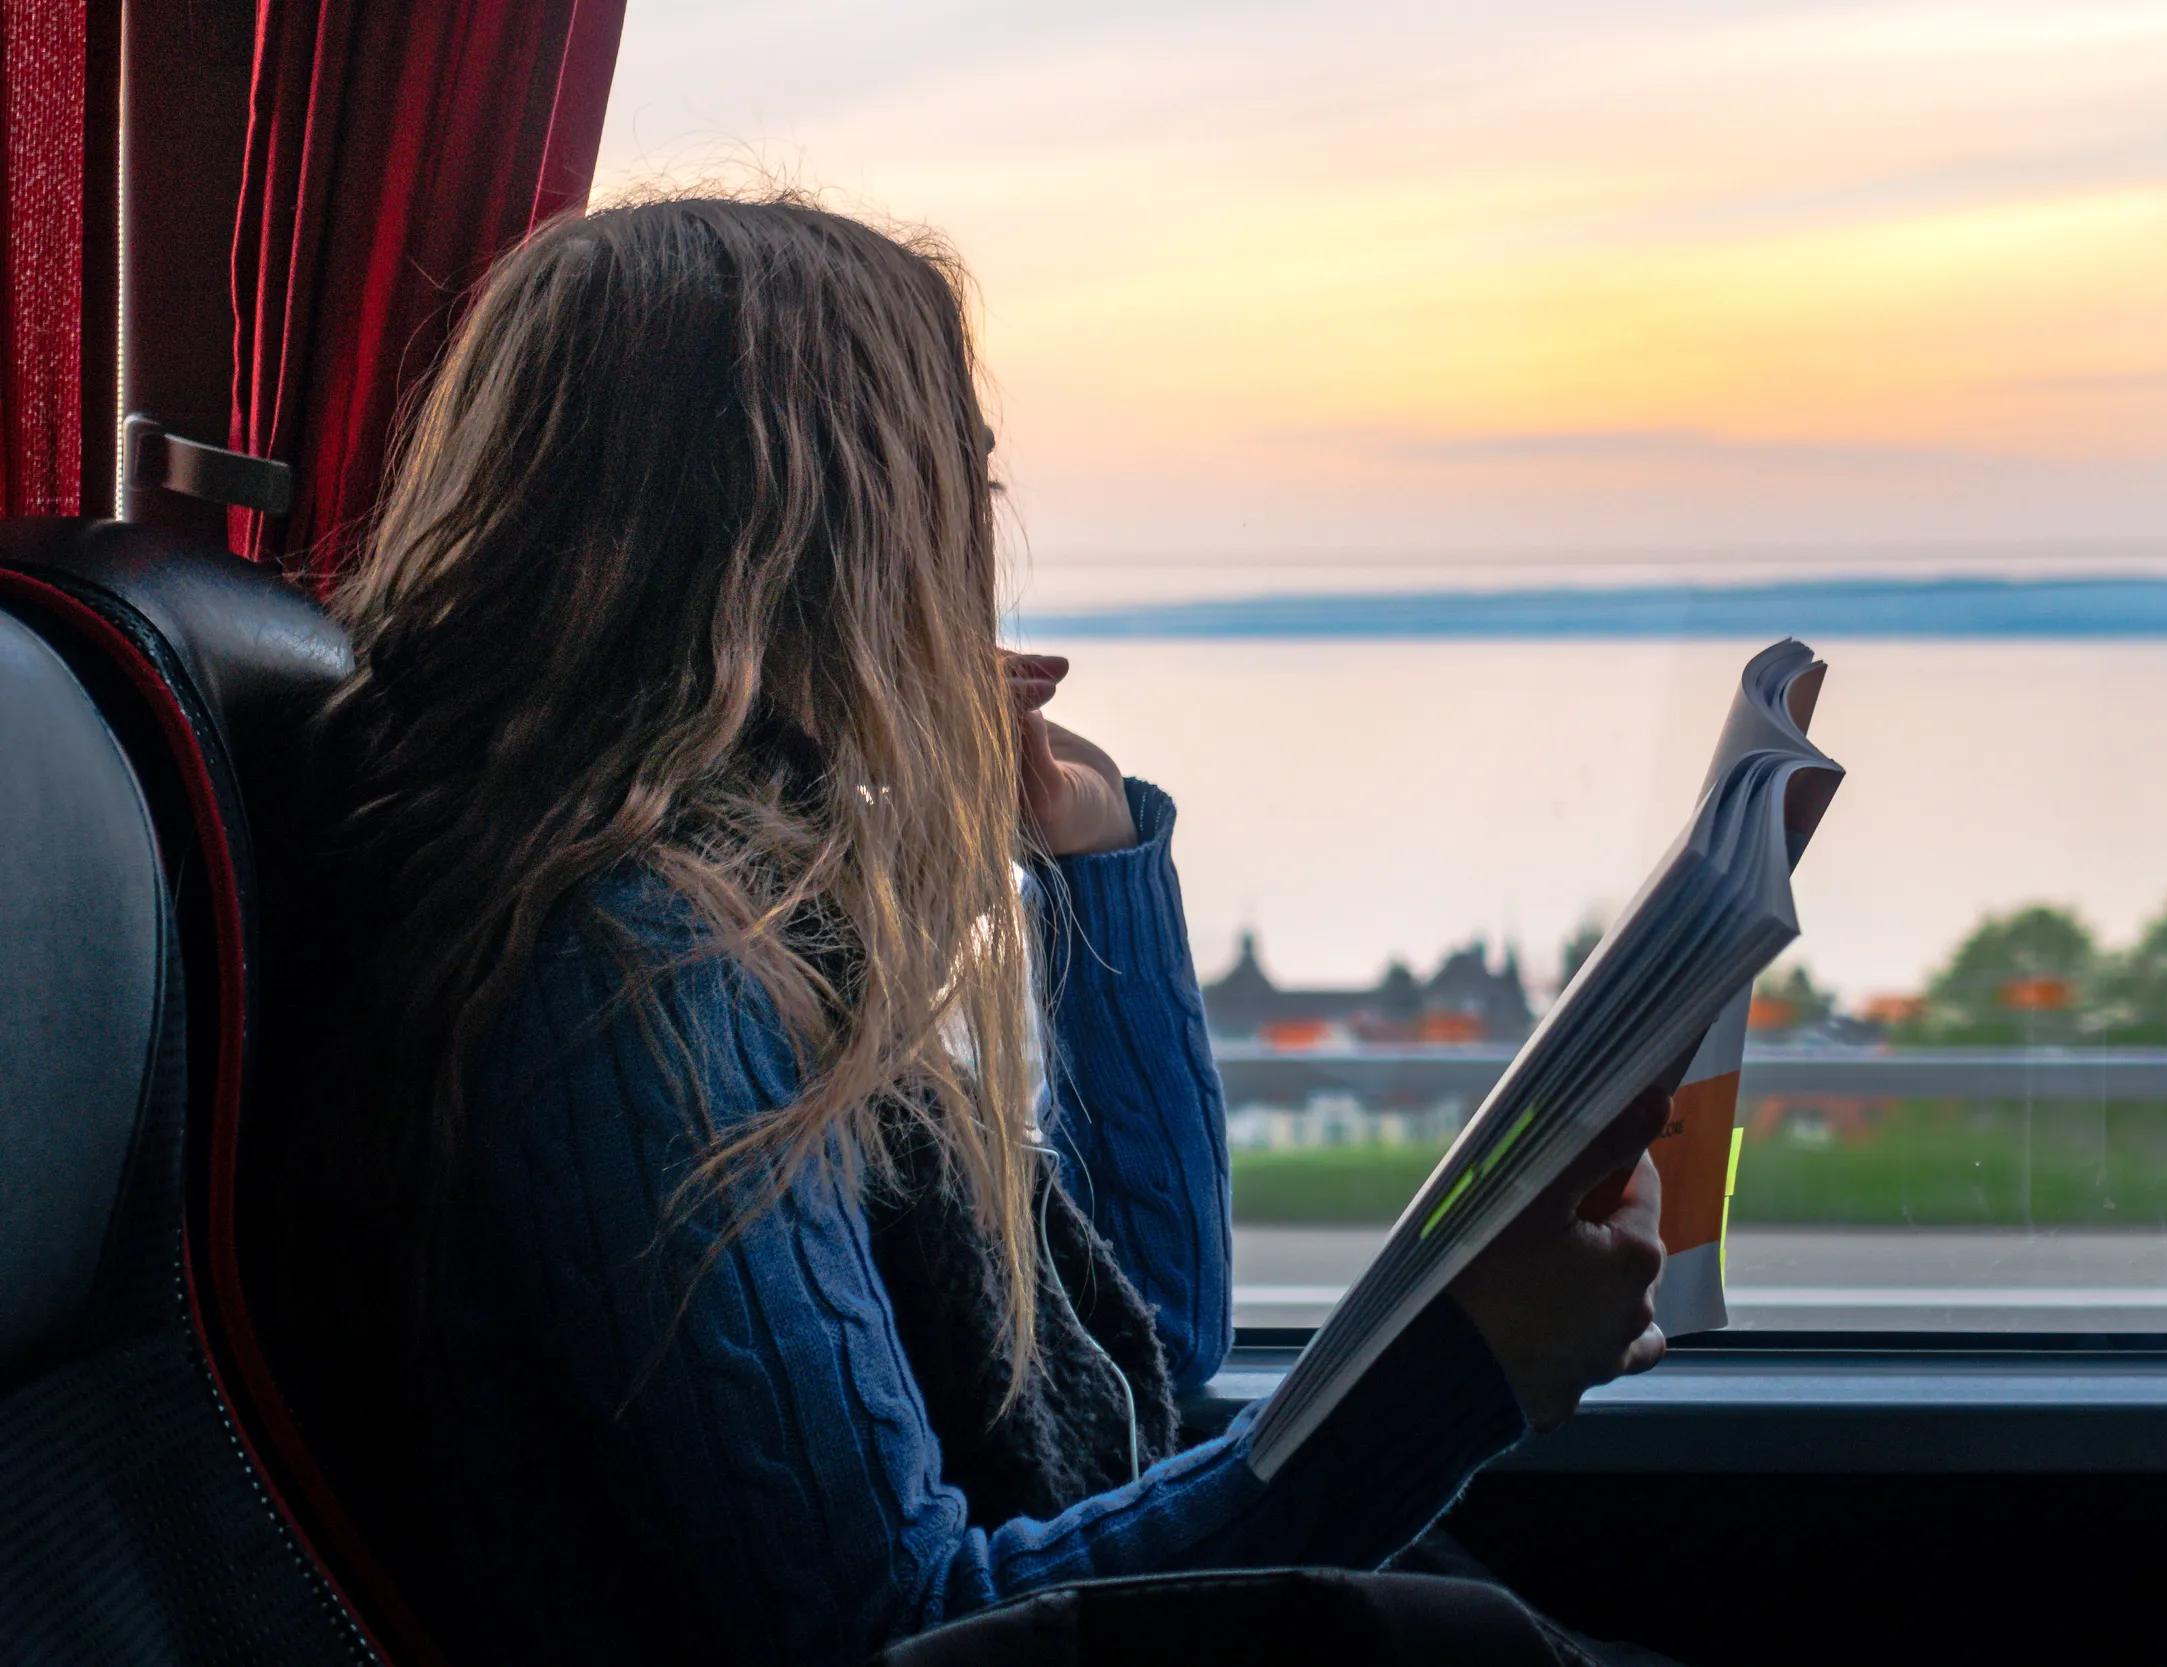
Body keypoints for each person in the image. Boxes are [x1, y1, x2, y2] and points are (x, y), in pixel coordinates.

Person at [273, 193, 1672, 1665]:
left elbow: (1148, 1355)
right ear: (827, 536)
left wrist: (1093, 858)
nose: (977, 566)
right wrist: (1460, 1378)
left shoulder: (748, 910)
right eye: (953, 495)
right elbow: (901, 1631)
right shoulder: (632, 968)